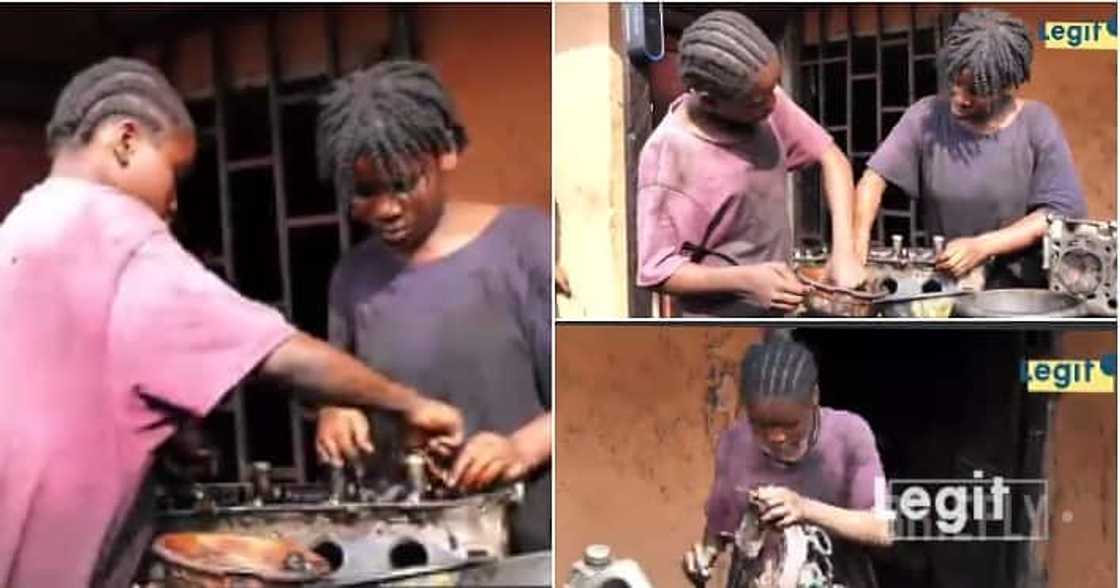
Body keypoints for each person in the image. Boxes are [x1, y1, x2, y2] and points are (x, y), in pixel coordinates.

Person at [0, 57, 464, 587]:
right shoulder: (116, 232)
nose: (174, 202)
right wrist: (410, 404)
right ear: (125, 141)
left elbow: (65, 393)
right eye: (175, 173)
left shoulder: (21, 230)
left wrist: (162, 441)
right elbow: (277, 354)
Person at [312, 60, 552, 553]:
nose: (385, 208)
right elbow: (344, 388)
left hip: (526, 545)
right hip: (409, 553)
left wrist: (518, 449)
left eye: (401, 184)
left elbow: (586, 399)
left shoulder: (527, 247)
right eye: (364, 192)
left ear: (445, 153)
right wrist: (336, 412)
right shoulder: (352, 277)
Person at [636, 10, 865, 318]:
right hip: (719, 328)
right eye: (758, 101)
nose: (772, 105)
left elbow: (832, 158)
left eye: (774, 89)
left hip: (779, 313)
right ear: (709, 100)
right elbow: (657, 271)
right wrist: (745, 280)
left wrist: (844, 251)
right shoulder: (670, 157)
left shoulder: (766, 99)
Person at [853, 9, 1087, 288]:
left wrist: (983, 246)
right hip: (947, 286)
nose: (960, 99)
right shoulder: (925, 117)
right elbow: (872, 180)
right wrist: (855, 246)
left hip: (1017, 294)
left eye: (975, 91)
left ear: (1003, 85)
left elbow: (1059, 211)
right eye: (955, 84)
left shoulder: (1037, 123)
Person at [683, 340, 890, 587]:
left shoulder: (850, 434)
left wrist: (803, 509)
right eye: (760, 424)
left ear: (814, 397)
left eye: (791, 425)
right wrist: (703, 558)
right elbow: (719, 530)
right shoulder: (735, 443)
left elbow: (884, 528)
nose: (776, 437)